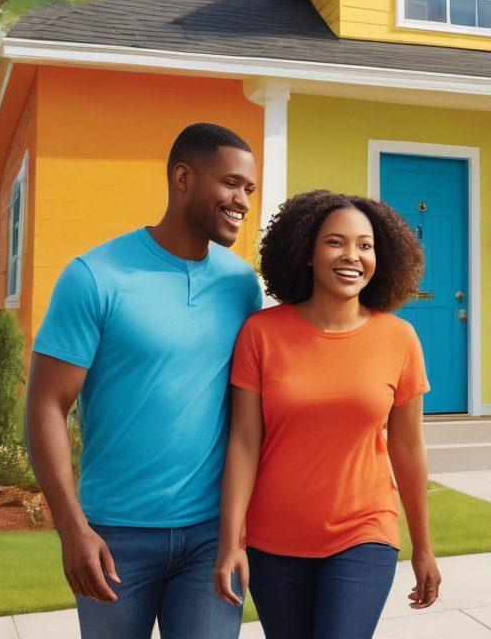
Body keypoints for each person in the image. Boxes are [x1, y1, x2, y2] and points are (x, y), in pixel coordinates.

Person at [26, 123, 263, 638]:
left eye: (249, 189)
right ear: (183, 177)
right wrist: (72, 528)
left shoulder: (242, 285)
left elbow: (248, 412)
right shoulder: (95, 276)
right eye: (231, 184)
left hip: (210, 537)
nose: (242, 201)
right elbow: (46, 403)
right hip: (114, 537)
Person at [213, 190, 440, 638]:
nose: (352, 255)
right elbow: (243, 441)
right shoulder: (261, 334)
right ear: (307, 253)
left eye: (365, 245)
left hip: (364, 531)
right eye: (336, 242)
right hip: (272, 539)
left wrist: (423, 547)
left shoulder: (400, 338)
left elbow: (408, 445)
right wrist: (229, 540)